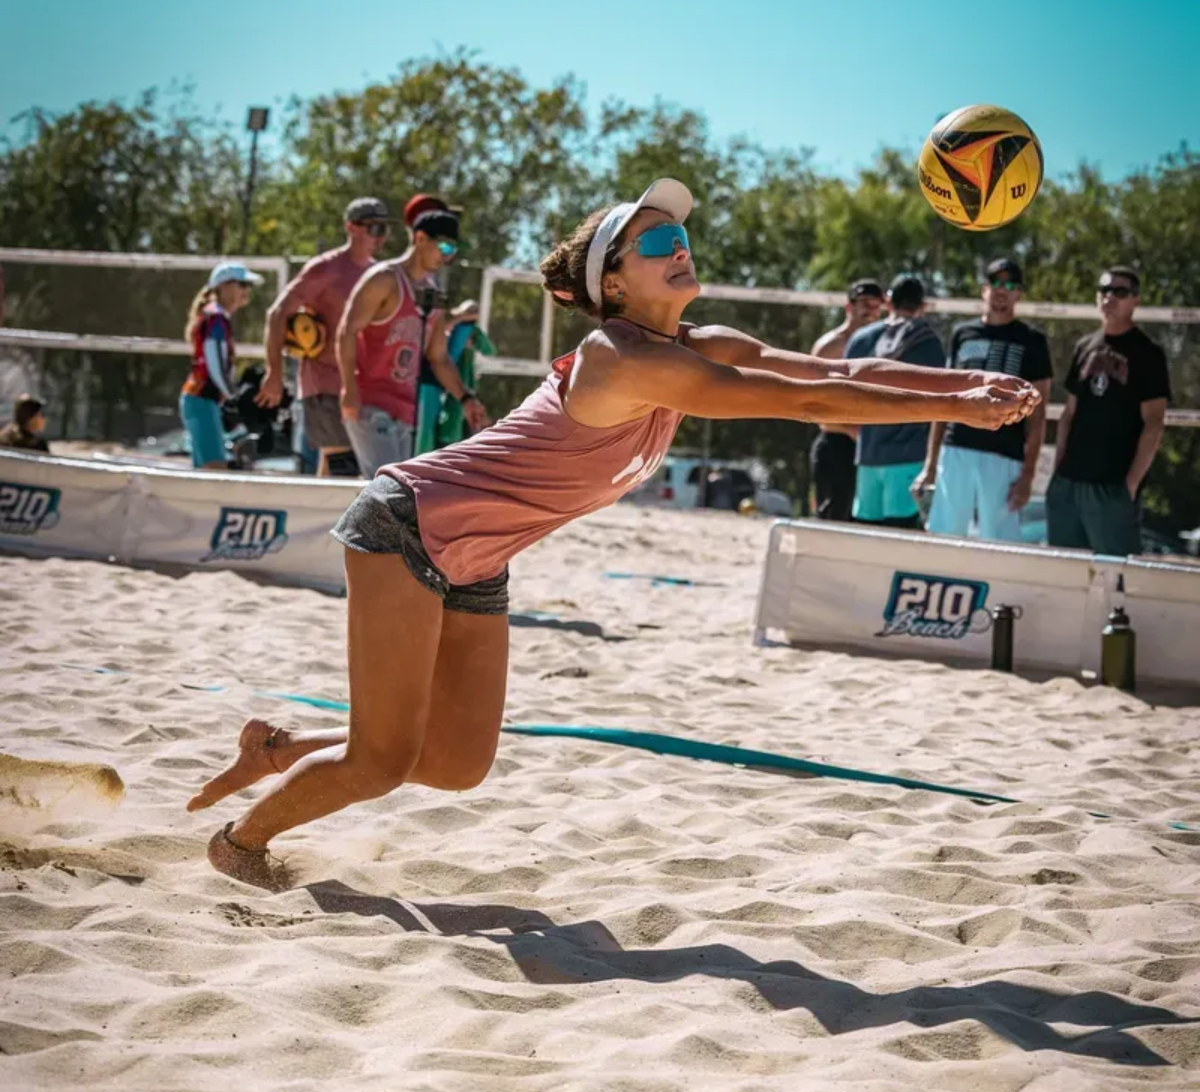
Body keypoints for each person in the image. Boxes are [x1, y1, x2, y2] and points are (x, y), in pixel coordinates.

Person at [186, 178, 1037, 889]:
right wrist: (958, 410)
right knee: (381, 761)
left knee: (452, 763)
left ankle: (280, 750)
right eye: (655, 238)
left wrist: (970, 378)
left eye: (678, 234)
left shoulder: (701, 345)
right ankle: (240, 846)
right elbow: (812, 405)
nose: (677, 245)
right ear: (616, 284)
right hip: (408, 523)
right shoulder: (622, 360)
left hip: (479, 555)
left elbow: (838, 370)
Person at [335, 196, 488, 477]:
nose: (447, 255)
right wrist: (349, 389)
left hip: (406, 410)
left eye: (453, 250)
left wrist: (466, 399)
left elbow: (438, 357)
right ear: (419, 238)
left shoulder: (432, 294)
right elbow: (347, 331)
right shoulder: (384, 279)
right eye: (443, 246)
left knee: (393, 494)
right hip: (371, 404)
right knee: (386, 492)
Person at [915, 258, 1053, 541]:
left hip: (1004, 456)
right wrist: (929, 466)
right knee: (944, 536)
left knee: (1001, 543)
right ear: (984, 289)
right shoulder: (962, 333)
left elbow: (1037, 416)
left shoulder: (1032, 340)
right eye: (996, 282)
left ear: (1018, 293)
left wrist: (1028, 476)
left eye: (1010, 284)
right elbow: (945, 396)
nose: (1002, 290)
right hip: (957, 450)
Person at [258, 198, 393, 476]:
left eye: (385, 229)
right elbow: (277, 314)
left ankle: (319, 521)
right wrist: (274, 372)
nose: (381, 236)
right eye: (374, 228)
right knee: (341, 466)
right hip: (324, 385)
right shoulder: (325, 268)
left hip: (359, 388)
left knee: (339, 471)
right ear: (351, 228)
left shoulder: (378, 274)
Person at [1046, 266, 1171, 556]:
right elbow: (1069, 414)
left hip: (1112, 487)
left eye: (1120, 291)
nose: (1110, 297)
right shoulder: (1084, 346)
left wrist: (1130, 485)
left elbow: (1154, 424)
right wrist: (1058, 473)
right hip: (1068, 484)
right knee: (1065, 576)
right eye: (1104, 290)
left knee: (1116, 579)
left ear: (1135, 300)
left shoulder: (1147, 353)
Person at [844, 274, 945, 528]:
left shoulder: (861, 339)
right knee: (900, 541)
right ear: (922, 306)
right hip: (908, 457)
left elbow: (843, 393)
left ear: (888, 302)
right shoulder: (928, 341)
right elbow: (941, 402)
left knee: (867, 537)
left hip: (868, 456)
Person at [808, 279, 884, 520]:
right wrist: (854, 432)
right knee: (832, 522)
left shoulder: (884, 345)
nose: (870, 310)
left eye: (876, 304)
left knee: (866, 527)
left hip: (874, 450)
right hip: (838, 445)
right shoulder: (830, 347)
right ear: (849, 307)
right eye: (864, 303)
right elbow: (813, 406)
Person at [180, 262, 263, 470]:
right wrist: (233, 395)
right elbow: (214, 362)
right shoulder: (216, 317)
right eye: (242, 284)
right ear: (224, 286)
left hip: (201, 401)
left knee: (206, 470)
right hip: (201, 401)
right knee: (215, 469)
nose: (246, 291)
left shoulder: (216, 315)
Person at [415, 298, 499, 454]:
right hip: (433, 380)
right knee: (424, 430)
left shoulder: (469, 330)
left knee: (449, 428)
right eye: (469, 311)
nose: (472, 314)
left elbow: (491, 350)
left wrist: (473, 340)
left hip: (453, 384)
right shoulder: (444, 322)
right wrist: (459, 317)